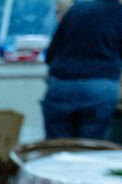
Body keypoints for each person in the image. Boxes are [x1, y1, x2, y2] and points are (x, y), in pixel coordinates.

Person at [42, 0, 122, 141]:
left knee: (57, 150)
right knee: (89, 151)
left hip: (61, 86)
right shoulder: (119, 14)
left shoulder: (77, 9)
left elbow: (51, 53)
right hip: (99, 87)